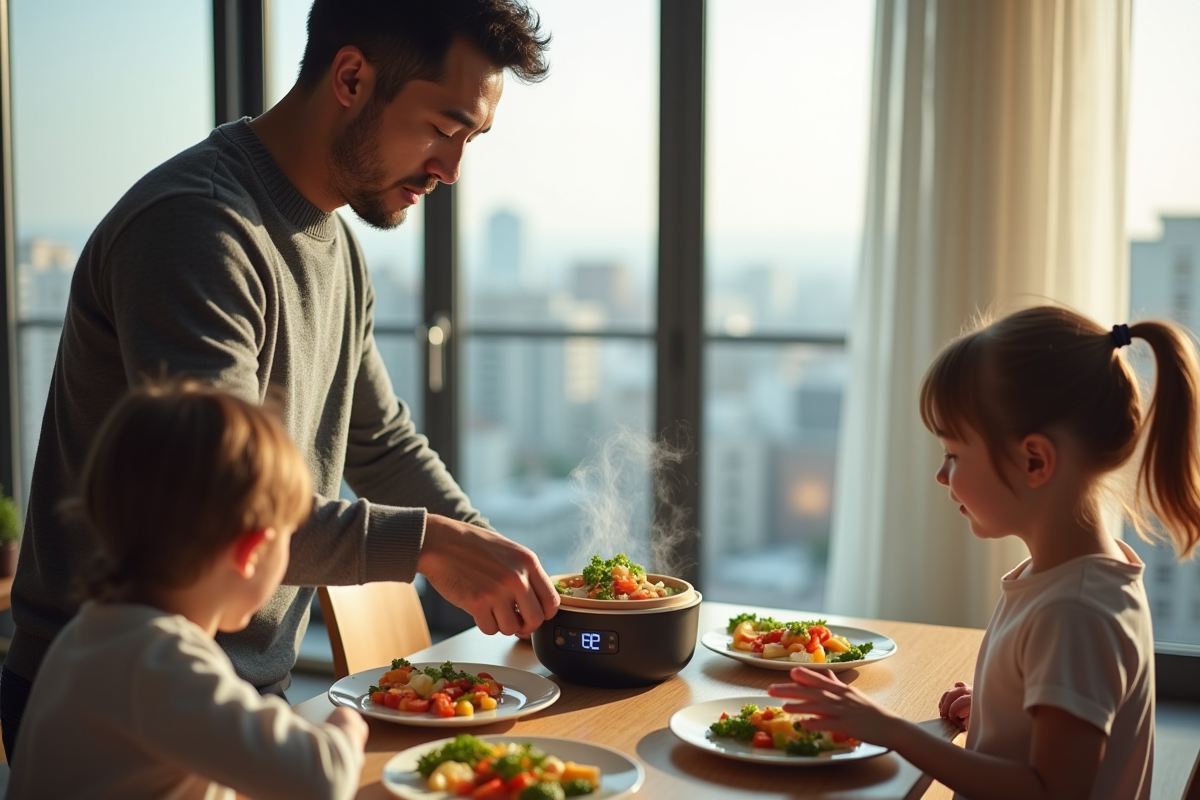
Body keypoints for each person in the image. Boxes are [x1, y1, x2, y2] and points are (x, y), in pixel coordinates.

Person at [3, 0, 557, 759]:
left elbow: (378, 440)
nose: (452, 170)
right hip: (124, 709)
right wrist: (429, 543)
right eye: (442, 127)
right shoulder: (196, 229)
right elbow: (220, 509)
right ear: (353, 77)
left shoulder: (334, 244)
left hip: (244, 699)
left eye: (470, 140)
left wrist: (486, 553)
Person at [769, 305, 1200, 800]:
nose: (941, 475)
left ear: (1034, 460)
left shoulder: (1074, 610)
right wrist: (1006, 711)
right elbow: (1075, 708)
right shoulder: (1072, 574)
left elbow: (1050, 790)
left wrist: (892, 730)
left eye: (953, 454)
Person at [6, 381, 367, 800]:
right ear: (250, 551)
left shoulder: (86, 635)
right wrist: (347, 726)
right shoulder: (161, 661)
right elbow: (320, 779)